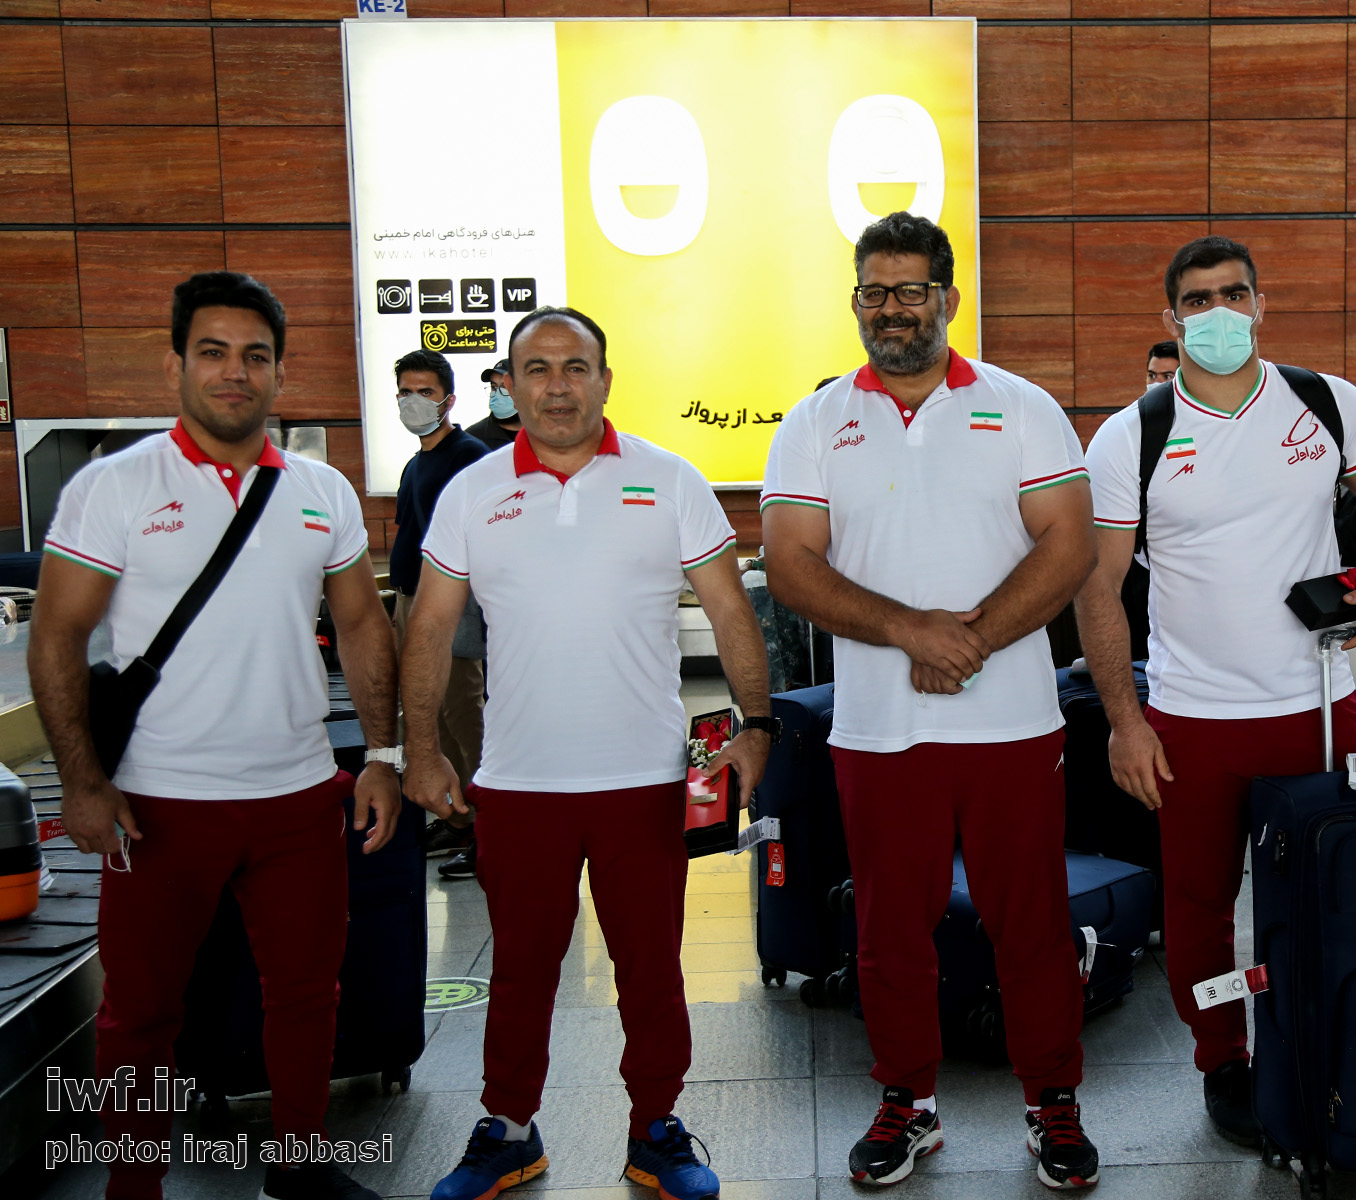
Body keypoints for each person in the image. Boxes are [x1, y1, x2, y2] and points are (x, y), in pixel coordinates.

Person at [28, 271, 401, 1200]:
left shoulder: (320, 490)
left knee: (308, 995)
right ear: (175, 366)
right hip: (159, 802)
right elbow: (58, 635)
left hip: (296, 795)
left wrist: (385, 755)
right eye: (213, 352)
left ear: (279, 373)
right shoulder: (113, 487)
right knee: (141, 1014)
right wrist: (82, 781)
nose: (235, 372)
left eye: (255, 356)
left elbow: (362, 624)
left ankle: (298, 1167)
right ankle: (135, 1187)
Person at [401, 306, 775, 1200]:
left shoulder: (669, 479)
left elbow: (730, 609)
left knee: (651, 971)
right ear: (509, 385)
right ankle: (509, 1131)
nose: (558, 386)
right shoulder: (471, 492)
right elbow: (430, 625)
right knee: (522, 971)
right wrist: (418, 748)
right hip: (518, 784)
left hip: (641, 782)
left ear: (606, 380)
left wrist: (756, 723)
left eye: (576, 367)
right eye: (537, 369)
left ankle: (656, 1130)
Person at [762, 212, 1102, 1191]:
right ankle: (907, 1101)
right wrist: (911, 631)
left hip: (1011, 724)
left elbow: (1070, 546)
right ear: (856, 303)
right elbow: (790, 563)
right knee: (888, 933)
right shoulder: (815, 421)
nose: (893, 308)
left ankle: (1053, 1102)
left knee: (1030, 923)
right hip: (880, 730)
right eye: (874, 292)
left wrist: (970, 642)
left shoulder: (1020, 406)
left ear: (948, 299)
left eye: (911, 290)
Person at [1073, 235, 1356, 1147]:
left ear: (1262, 305)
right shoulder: (1131, 435)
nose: (1218, 313)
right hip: (1192, 719)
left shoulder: (1324, 402)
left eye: (1234, 294)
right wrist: (1124, 721)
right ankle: (1223, 1061)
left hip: (1320, 706)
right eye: (1198, 301)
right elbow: (1097, 587)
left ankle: (1333, 1040)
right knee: (1199, 908)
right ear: (1171, 318)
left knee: (1339, 889)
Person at [387, 349, 489, 871]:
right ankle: (458, 819)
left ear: (448, 399)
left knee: (462, 712)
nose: (414, 401)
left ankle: (490, 829)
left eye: (424, 392)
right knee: (429, 714)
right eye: (405, 392)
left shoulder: (468, 456)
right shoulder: (415, 462)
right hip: (410, 599)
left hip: (451, 604)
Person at [465, 357, 522, 451]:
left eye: (505, 387)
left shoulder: (543, 435)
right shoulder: (472, 439)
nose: (498, 393)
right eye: (494, 387)